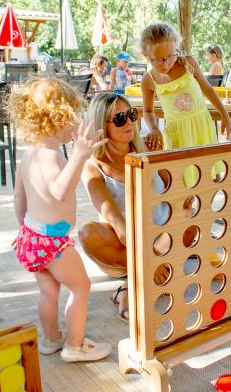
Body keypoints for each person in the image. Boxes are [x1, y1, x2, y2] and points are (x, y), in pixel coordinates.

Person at [8, 76, 111, 363]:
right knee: (81, 287)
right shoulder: (51, 158)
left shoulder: (28, 156)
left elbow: (19, 199)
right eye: (73, 117)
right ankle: (75, 345)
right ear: (57, 118)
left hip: (31, 237)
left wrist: (24, 229)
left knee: (48, 292)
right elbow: (59, 191)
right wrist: (79, 156)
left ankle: (51, 338)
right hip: (52, 241)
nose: (77, 124)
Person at [78, 92, 169, 321]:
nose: (128, 122)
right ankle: (149, 270)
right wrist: (148, 256)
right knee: (88, 233)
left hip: (165, 235)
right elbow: (116, 222)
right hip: (126, 243)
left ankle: (130, 285)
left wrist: (161, 158)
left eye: (131, 114)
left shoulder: (147, 148)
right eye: (119, 118)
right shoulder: (93, 166)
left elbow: (175, 193)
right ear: (102, 125)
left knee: (190, 214)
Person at [140, 23, 231, 154]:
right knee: (180, 171)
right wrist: (154, 128)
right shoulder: (148, 80)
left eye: (171, 56)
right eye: (159, 59)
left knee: (210, 169)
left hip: (201, 127)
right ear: (146, 56)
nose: (165, 63)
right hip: (175, 134)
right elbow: (148, 111)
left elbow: (208, 89)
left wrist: (225, 116)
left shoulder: (188, 63)